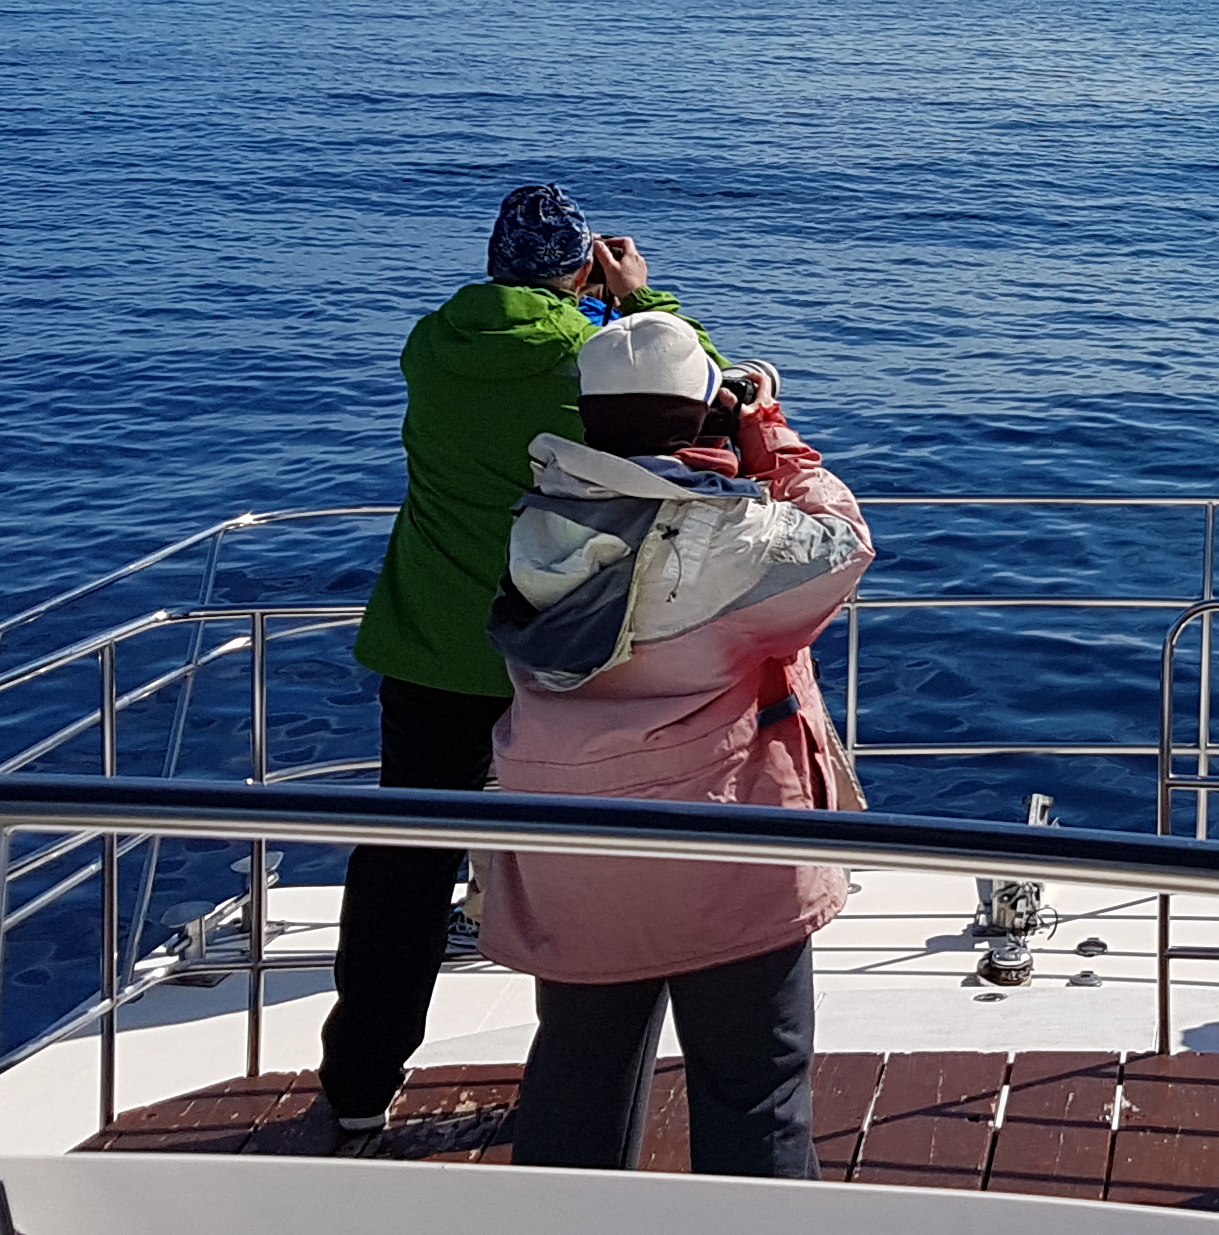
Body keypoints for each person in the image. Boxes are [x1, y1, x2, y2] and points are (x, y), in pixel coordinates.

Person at [306, 184, 721, 1153]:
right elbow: (699, 394)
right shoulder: (585, 354)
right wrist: (640, 299)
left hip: (428, 640)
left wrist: (586, 300)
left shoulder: (432, 342)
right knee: (578, 868)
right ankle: (573, 1095)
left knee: (403, 870)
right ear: (579, 271)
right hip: (559, 646)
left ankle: (358, 1088)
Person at [476, 310, 871, 1177]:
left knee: (579, 1082)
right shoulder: (735, 537)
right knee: (753, 1089)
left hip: (572, 839)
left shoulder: (540, 520)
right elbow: (843, 544)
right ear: (700, 413)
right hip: (723, 844)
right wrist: (768, 434)